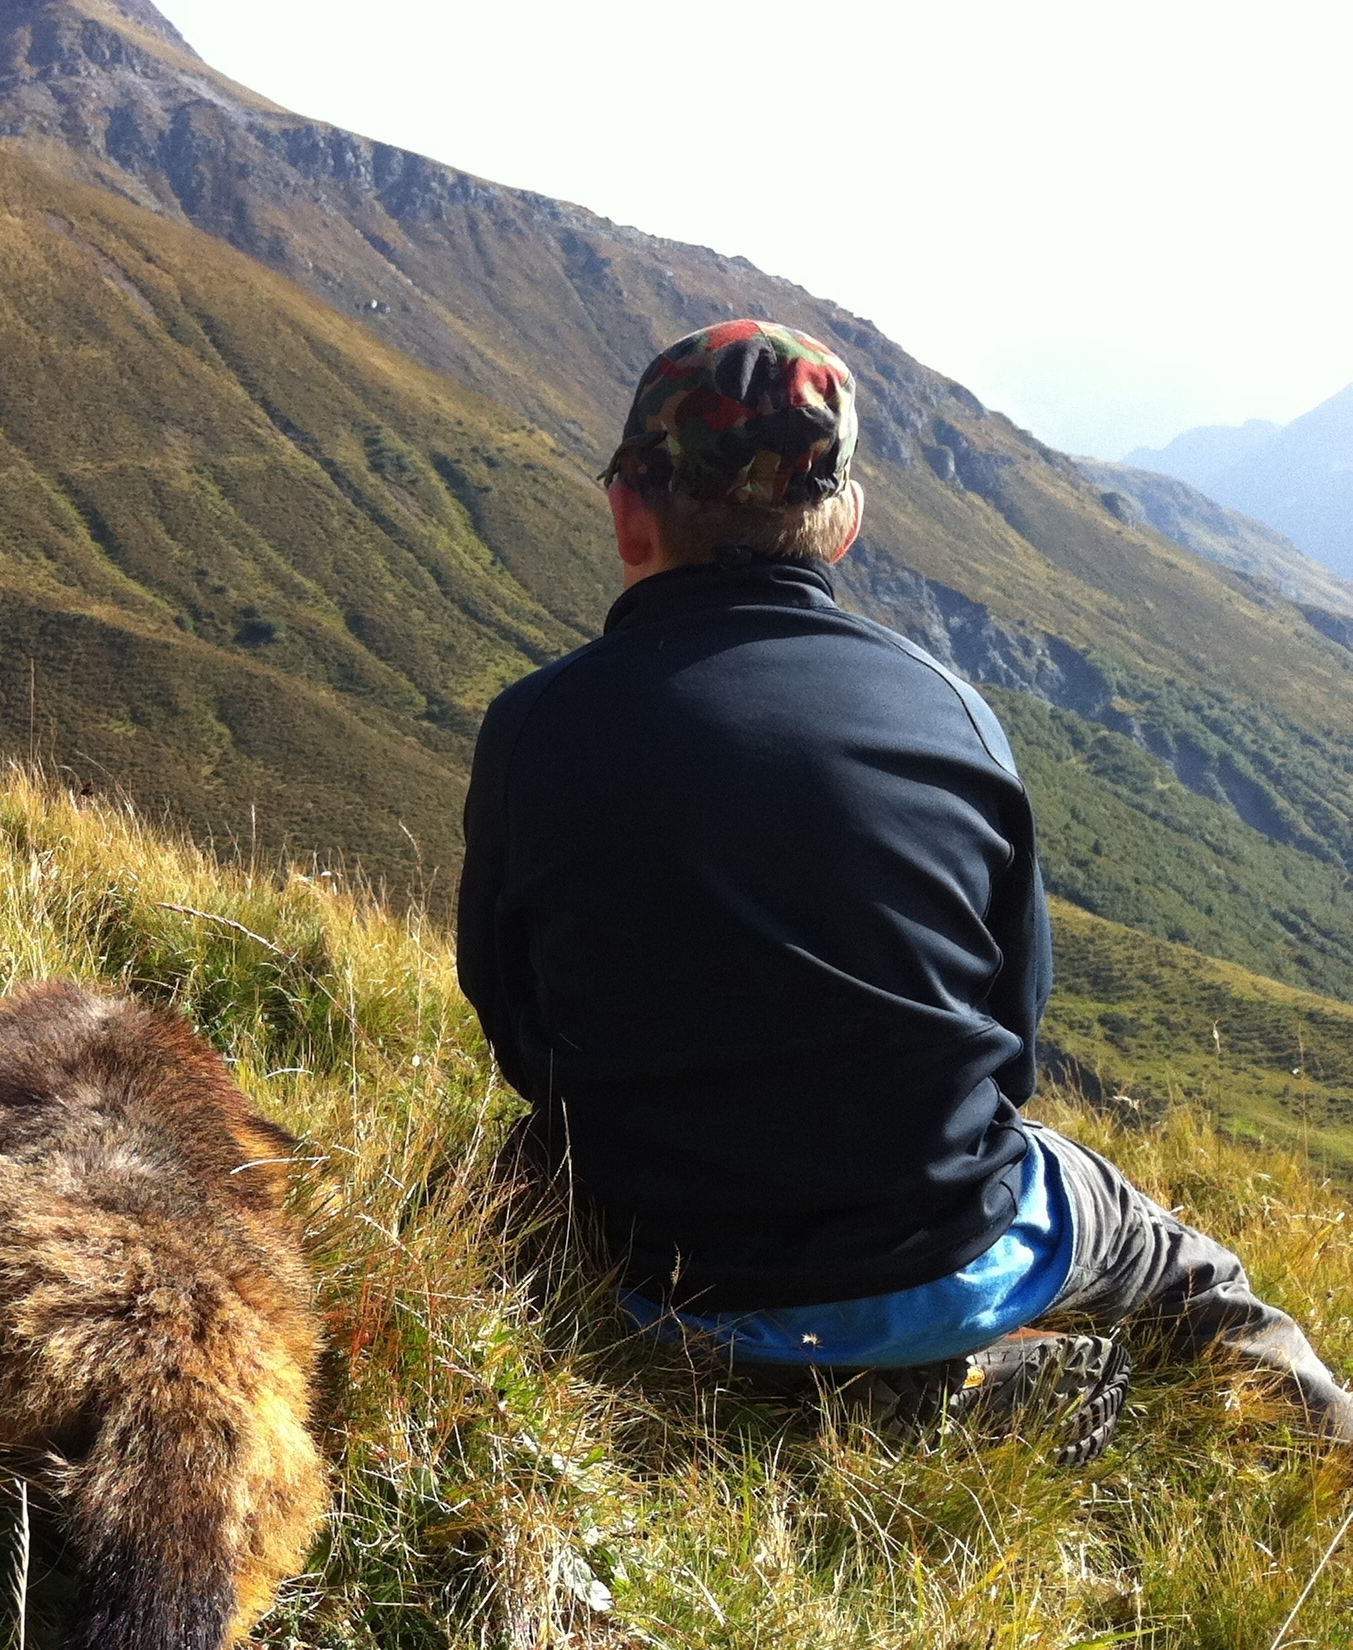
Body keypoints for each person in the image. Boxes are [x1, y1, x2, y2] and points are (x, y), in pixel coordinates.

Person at [457, 318, 1353, 1458]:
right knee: (1182, 1263)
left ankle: (876, 1402)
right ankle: (1319, 1455)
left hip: (645, 1269)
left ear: (630, 511)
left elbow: (510, 1019)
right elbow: (1010, 1042)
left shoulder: (534, 728)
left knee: (490, 1168)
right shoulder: (954, 716)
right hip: (937, 1252)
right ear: (844, 527)